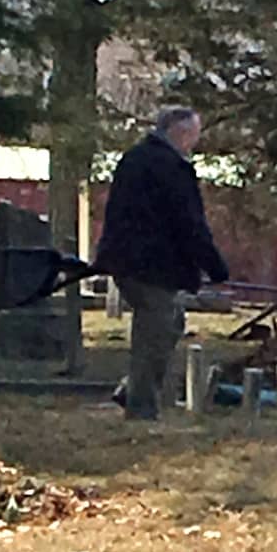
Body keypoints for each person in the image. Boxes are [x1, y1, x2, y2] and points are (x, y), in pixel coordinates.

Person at [95, 106, 229, 420]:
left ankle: (132, 390)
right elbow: (189, 223)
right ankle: (141, 408)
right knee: (153, 334)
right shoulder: (171, 168)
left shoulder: (134, 158)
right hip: (152, 264)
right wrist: (215, 266)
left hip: (126, 260)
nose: (194, 143)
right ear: (180, 133)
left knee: (171, 323)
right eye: (194, 135)